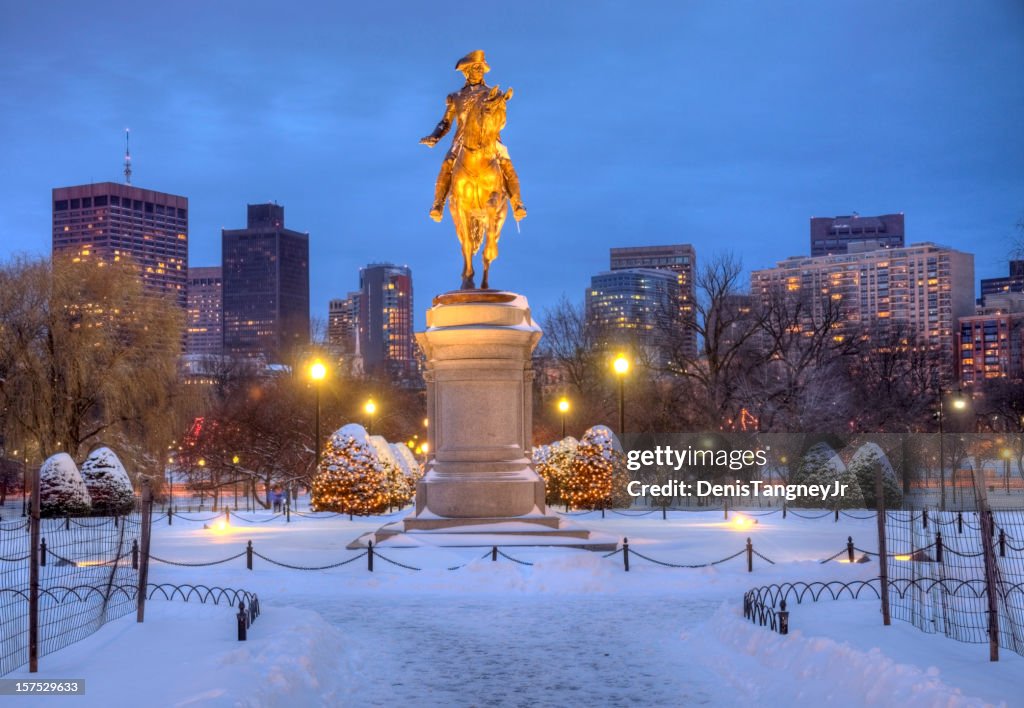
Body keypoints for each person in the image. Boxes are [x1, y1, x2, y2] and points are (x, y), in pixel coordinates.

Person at [420, 49, 526, 223]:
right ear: (467, 71)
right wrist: (434, 137)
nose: (479, 71)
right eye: (476, 68)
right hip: (461, 141)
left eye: (481, 68)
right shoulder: (456, 97)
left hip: (490, 139)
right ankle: (438, 204)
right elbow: (445, 122)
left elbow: (501, 119)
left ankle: (517, 204)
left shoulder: (493, 94)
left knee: (506, 164)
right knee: (447, 164)